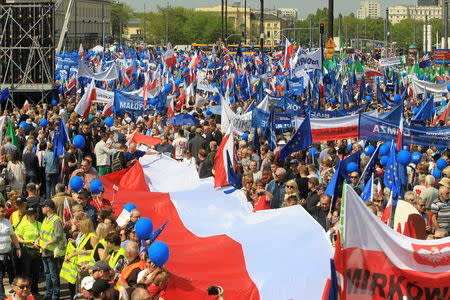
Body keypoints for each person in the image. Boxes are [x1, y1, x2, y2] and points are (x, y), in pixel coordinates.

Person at [35, 199, 64, 300]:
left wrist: (47, 244)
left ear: (48, 208)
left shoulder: (56, 220)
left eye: (43, 207)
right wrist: (38, 240)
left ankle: (55, 295)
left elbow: (58, 236)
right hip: (44, 251)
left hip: (51, 251)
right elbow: (42, 234)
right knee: (48, 274)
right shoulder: (46, 219)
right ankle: (48, 293)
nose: (42, 208)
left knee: (53, 274)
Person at [15, 206, 41, 297]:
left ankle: (35, 290)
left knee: (36, 272)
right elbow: (18, 237)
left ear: (35, 215)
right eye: (28, 215)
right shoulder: (23, 224)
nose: (29, 217)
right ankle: (26, 291)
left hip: (36, 250)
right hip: (26, 249)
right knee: (27, 271)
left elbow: (42, 235)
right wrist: (25, 241)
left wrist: (37, 240)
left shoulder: (39, 224)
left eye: (31, 215)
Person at [0, 205, 22, 300]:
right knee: (0, 275)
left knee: (11, 273)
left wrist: (18, 248)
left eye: (4, 211)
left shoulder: (7, 222)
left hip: (7, 254)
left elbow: (13, 236)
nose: (3, 213)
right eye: (1, 212)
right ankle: (2, 296)